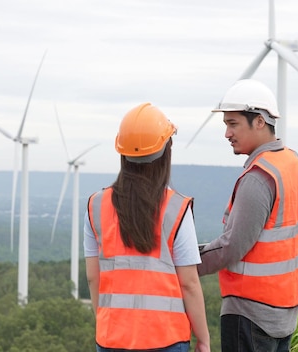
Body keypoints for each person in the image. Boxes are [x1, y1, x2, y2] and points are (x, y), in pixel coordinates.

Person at [84, 103, 210, 352]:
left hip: (111, 338)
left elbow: (92, 276)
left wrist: (106, 324)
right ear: (166, 152)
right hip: (166, 339)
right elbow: (189, 284)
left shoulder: (96, 205)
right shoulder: (176, 207)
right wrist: (203, 338)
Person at [197, 79, 298, 352]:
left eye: (232, 124)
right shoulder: (291, 161)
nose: (227, 133)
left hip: (251, 312)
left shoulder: (258, 178)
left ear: (259, 121)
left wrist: (185, 264)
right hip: (284, 308)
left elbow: (232, 246)